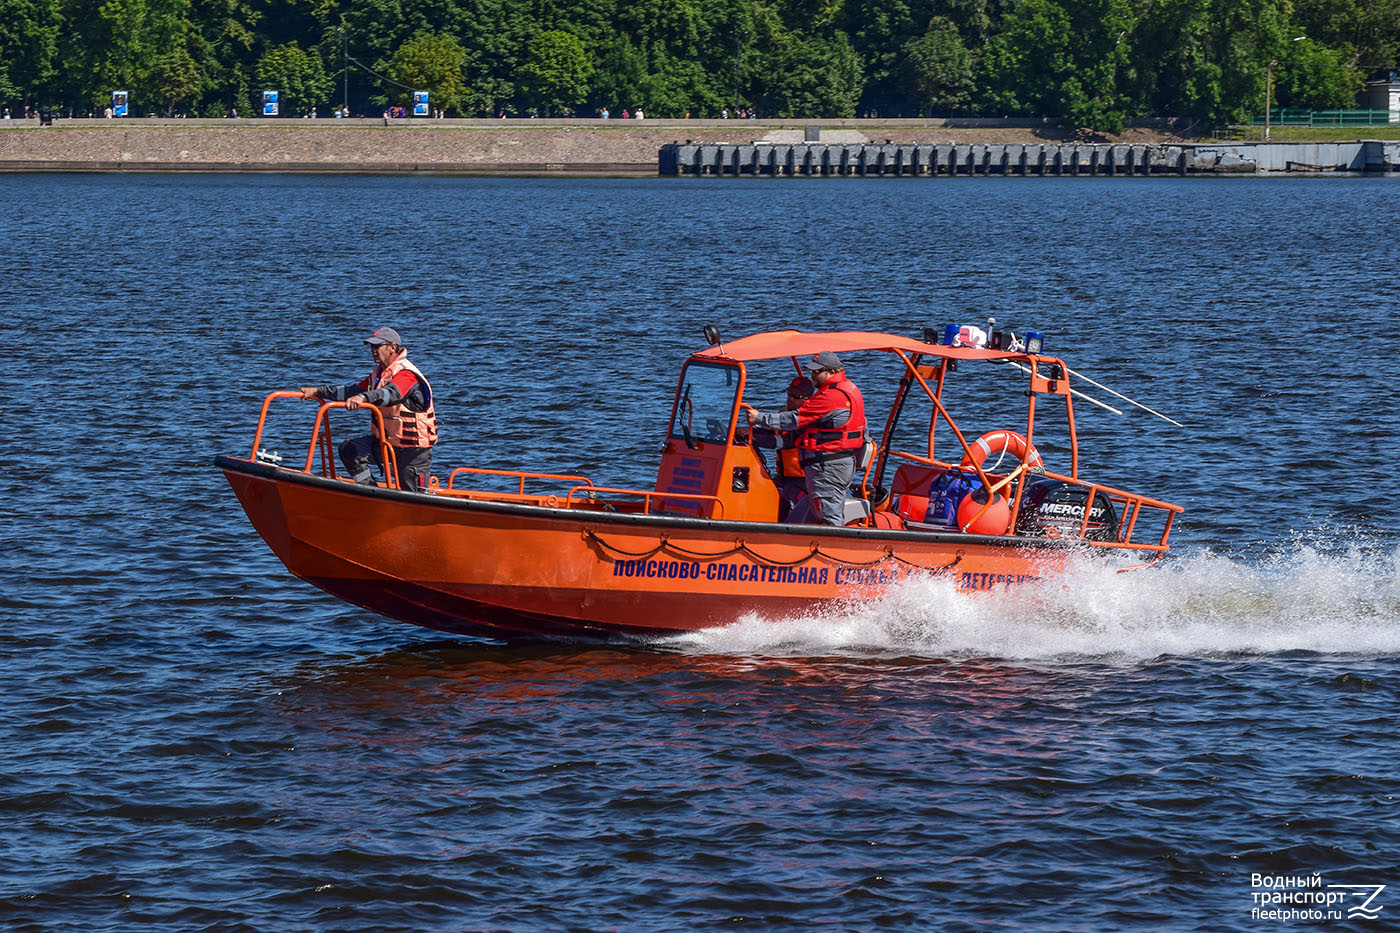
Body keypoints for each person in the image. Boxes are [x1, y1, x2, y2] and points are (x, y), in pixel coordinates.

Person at [300, 326, 438, 491]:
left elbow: (391, 394)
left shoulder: (406, 374)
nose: (373, 350)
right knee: (350, 450)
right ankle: (372, 492)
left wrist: (364, 397)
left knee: (414, 497)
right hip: (387, 444)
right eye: (371, 346)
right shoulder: (378, 376)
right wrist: (317, 391)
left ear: (393, 348)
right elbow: (350, 391)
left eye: (377, 346)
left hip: (413, 451)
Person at [742, 352, 866, 526]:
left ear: (831, 371)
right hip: (830, 464)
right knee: (821, 512)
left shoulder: (831, 397)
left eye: (817, 372)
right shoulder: (845, 391)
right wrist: (752, 433)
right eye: (811, 372)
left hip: (827, 466)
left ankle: (830, 548)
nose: (812, 375)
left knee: (828, 517)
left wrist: (760, 418)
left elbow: (795, 421)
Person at [750, 375, 813, 520]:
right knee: (761, 494)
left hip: (802, 480)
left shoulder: (808, 420)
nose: (790, 399)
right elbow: (768, 432)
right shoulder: (783, 415)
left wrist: (755, 439)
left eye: (795, 396)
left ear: (806, 399)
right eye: (789, 394)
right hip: (783, 477)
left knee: (785, 504)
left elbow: (787, 441)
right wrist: (747, 432)